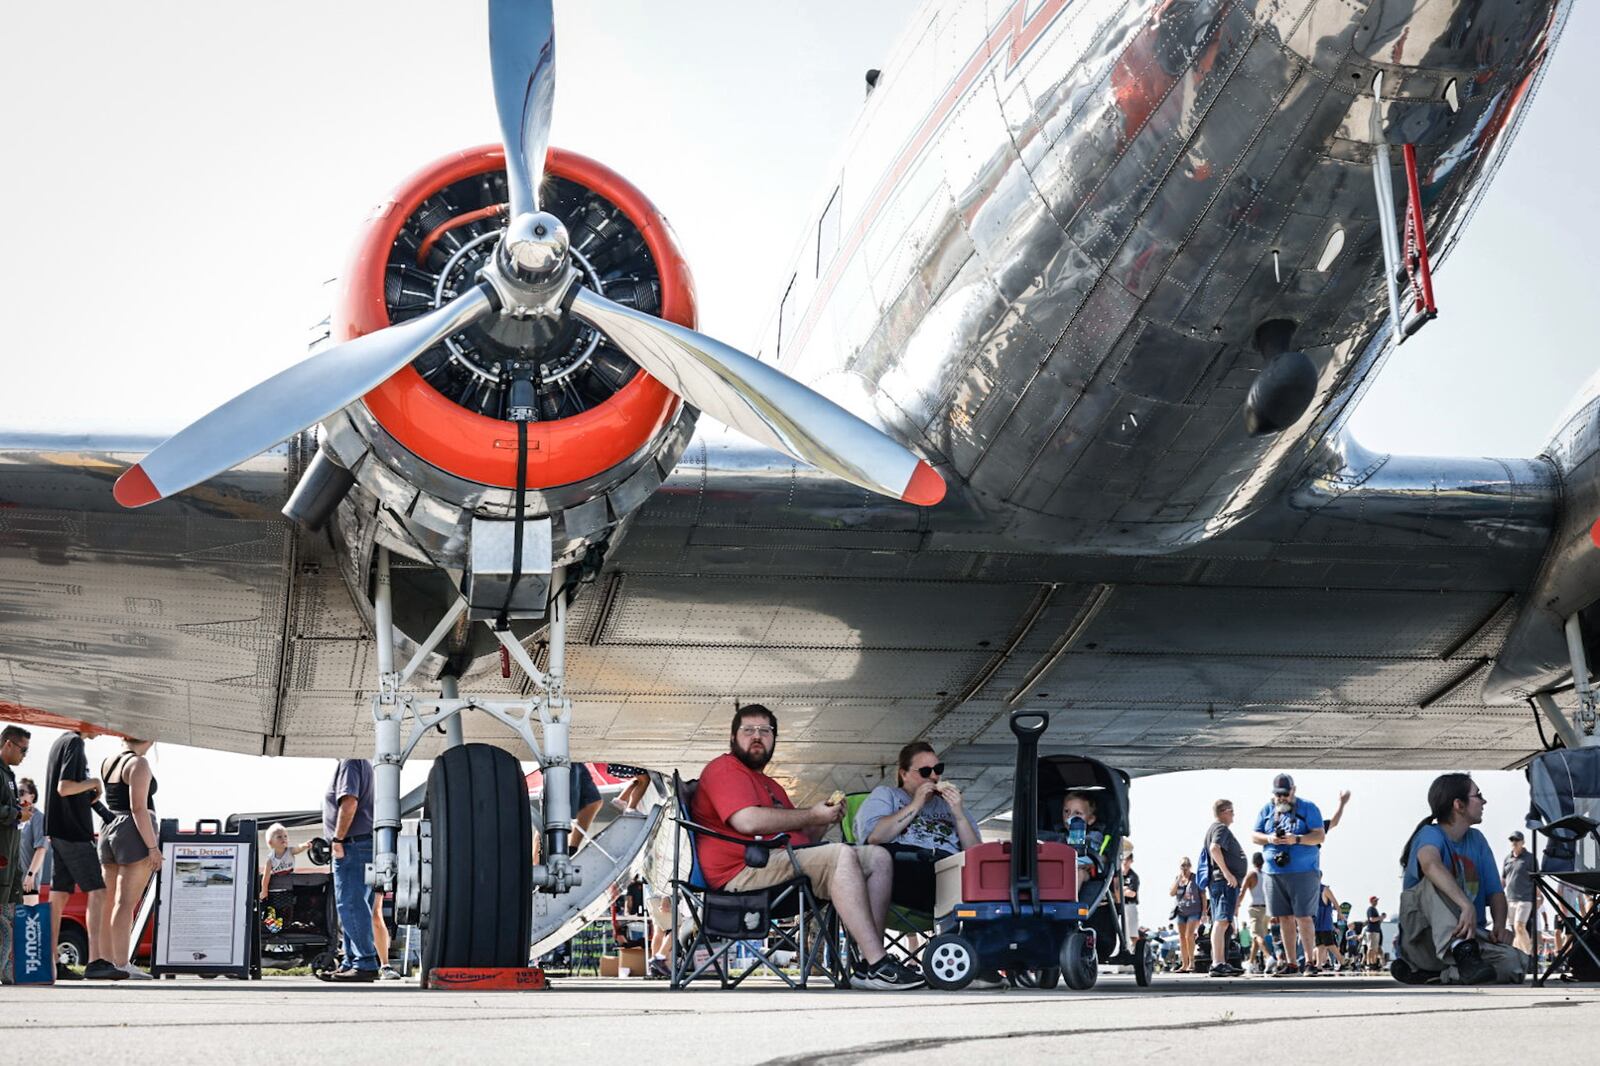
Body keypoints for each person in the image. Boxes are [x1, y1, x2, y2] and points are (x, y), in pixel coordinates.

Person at [689, 704, 922, 990]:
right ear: (733, 737)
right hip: (742, 873)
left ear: (774, 738)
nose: (757, 736)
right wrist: (811, 814)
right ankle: (878, 964)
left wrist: (824, 819)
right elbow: (747, 821)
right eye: (748, 730)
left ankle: (865, 963)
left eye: (765, 731)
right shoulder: (724, 768)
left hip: (780, 866)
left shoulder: (771, 785)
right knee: (840, 855)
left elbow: (801, 841)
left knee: (878, 857)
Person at [1393, 773, 1523, 984]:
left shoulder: (1477, 840)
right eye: (1478, 796)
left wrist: (1500, 925)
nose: (1484, 801)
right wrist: (1466, 905)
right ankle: (1459, 951)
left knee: (1514, 965)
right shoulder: (1430, 834)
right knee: (1433, 880)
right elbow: (1429, 864)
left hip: (1472, 938)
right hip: (1426, 940)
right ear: (1458, 805)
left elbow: (1495, 892)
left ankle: (1436, 975)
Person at [44, 728, 114, 980]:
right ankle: (95, 960)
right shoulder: (74, 742)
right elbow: (64, 787)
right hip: (73, 831)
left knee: (59, 894)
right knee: (97, 890)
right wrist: (95, 783)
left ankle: (51, 961)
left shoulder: (60, 741)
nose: (103, 730)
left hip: (59, 830)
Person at [1251, 772, 1326, 977]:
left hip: (1303, 871)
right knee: (1284, 917)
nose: (1281, 798)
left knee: (1303, 917)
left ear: (1293, 790)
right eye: (1278, 795)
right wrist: (1269, 838)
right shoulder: (1267, 809)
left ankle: (1310, 962)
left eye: (1285, 794)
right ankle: (1291, 963)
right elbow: (1254, 835)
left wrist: (1297, 839)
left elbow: (1320, 835)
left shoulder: (1308, 808)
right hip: (1274, 872)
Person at [98, 738, 162, 978]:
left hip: (109, 828)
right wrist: (153, 847)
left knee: (109, 901)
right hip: (133, 831)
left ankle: (107, 960)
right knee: (125, 902)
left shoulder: (109, 762)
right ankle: (122, 962)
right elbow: (138, 808)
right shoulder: (139, 764)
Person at [324, 757, 379, 981]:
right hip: (361, 844)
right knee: (355, 906)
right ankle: (351, 961)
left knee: (351, 904)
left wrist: (337, 839)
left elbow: (349, 802)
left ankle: (364, 962)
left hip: (351, 844)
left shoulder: (349, 763)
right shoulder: (361, 762)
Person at [0, 726, 31, 984]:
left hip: (9, 855)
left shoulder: (8, 775)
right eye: (23, 750)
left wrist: (17, 810)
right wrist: (17, 814)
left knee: (10, 912)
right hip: (1, 854)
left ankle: (8, 972)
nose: (25, 755)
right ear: (8, 744)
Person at [1203, 798, 1247, 977]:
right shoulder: (1220, 828)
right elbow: (1215, 848)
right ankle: (1218, 962)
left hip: (1221, 881)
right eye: (1232, 811)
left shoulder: (1215, 828)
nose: (1234, 815)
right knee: (1221, 922)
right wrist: (1228, 874)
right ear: (1225, 811)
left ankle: (1221, 961)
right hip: (1223, 881)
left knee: (1223, 922)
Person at [259, 823, 310, 934]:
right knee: (275, 911)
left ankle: (287, 925)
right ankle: (275, 929)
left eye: (285, 836)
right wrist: (264, 890)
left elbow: (298, 848)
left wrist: (305, 845)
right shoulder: (270, 859)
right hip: (276, 889)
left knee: (289, 908)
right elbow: (266, 876)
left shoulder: (290, 851)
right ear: (270, 843)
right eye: (279, 837)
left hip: (288, 885)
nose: (284, 839)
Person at [1501, 831, 1537, 956]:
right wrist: (1498, 895)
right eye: (1512, 840)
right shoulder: (1507, 858)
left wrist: (1538, 897)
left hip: (1525, 898)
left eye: (1517, 840)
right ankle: (1520, 956)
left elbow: (1536, 880)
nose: (1514, 842)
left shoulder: (1530, 858)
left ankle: (1529, 955)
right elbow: (1504, 879)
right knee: (1514, 931)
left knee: (1519, 926)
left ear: (1523, 842)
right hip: (1510, 899)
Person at [19, 776, 51, 905]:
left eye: (21, 793)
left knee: (28, 922)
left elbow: (41, 849)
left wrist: (30, 874)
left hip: (28, 883)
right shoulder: (15, 819)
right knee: (8, 924)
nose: (18, 796)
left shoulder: (38, 818)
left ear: (31, 796)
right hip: (12, 884)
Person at [1170, 857, 1202, 972]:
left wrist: (1203, 913)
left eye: (1187, 865)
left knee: (1189, 935)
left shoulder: (1195, 878)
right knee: (1182, 938)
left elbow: (1202, 894)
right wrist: (1178, 880)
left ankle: (1192, 961)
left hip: (1194, 910)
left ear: (1190, 866)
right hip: (1181, 911)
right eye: (1183, 865)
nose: (1185, 867)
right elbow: (1172, 893)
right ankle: (1184, 963)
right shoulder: (1178, 878)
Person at [1242, 852, 1268, 973]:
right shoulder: (1266, 875)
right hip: (1266, 908)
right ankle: (1251, 963)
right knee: (1257, 938)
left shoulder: (1251, 874)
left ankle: (1269, 957)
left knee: (1256, 935)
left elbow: (1242, 890)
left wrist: (1237, 905)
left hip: (1254, 907)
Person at [1313, 884, 1341, 972]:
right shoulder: (1312, 889)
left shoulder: (1324, 889)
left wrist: (1340, 913)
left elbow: (1335, 902)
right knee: (1319, 945)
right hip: (1317, 923)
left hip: (1325, 922)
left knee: (1329, 944)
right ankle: (1318, 965)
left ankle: (1343, 961)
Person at [1118, 851, 1141, 955]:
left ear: (1131, 861)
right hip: (1119, 906)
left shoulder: (1133, 876)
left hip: (1130, 905)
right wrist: (1123, 890)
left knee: (1132, 933)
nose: (1125, 861)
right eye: (1123, 859)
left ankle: (1135, 954)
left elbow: (1132, 893)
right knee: (1121, 932)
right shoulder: (1117, 875)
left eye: (1127, 859)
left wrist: (1120, 890)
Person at [1364, 896, 1386, 970]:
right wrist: (1380, 917)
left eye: (1376, 900)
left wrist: (1381, 918)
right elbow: (1371, 919)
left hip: (1376, 931)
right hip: (1371, 931)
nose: (1376, 902)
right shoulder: (1370, 909)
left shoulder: (1375, 909)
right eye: (1375, 901)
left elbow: (1376, 921)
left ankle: (1373, 963)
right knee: (1371, 948)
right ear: (1371, 901)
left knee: (1375, 949)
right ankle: (1369, 963)